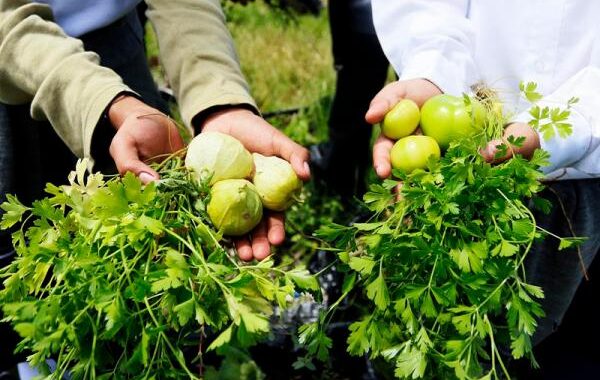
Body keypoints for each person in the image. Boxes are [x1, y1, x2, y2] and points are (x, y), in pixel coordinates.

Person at [0, 0, 309, 375]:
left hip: (115, 51)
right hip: (12, 68)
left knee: (151, 284)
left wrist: (218, 100)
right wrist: (108, 102)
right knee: (30, 287)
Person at [367, 1, 600, 377]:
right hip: (449, 172)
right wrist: (432, 69)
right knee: (434, 333)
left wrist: (567, 126)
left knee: (568, 351)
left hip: (584, 176)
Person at [310, 0, 389, 201]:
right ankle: (358, 183)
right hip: (408, 29)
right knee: (371, 113)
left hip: (362, 28)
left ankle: (340, 185)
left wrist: (339, 52)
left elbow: (339, 5)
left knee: (351, 113)